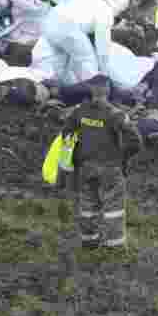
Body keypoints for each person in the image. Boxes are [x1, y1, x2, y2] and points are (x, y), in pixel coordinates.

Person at [58, 75, 143, 250]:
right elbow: (135, 141)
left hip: (85, 167)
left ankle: (89, 242)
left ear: (91, 89)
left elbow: (66, 134)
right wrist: (123, 157)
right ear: (108, 90)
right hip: (111, 168)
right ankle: (115, 248)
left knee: (87, 206)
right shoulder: (116, 114)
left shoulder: (80, 111)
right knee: (113, 210)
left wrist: (72, 158)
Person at [38, 0, 131, 86]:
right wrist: (104, 71)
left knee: (60, 57)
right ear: (120, 7)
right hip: (68, 29)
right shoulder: (106, 11)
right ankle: (93, 88)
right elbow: (102, 46)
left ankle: (53, 83)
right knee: (88, 60)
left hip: (50, 21)